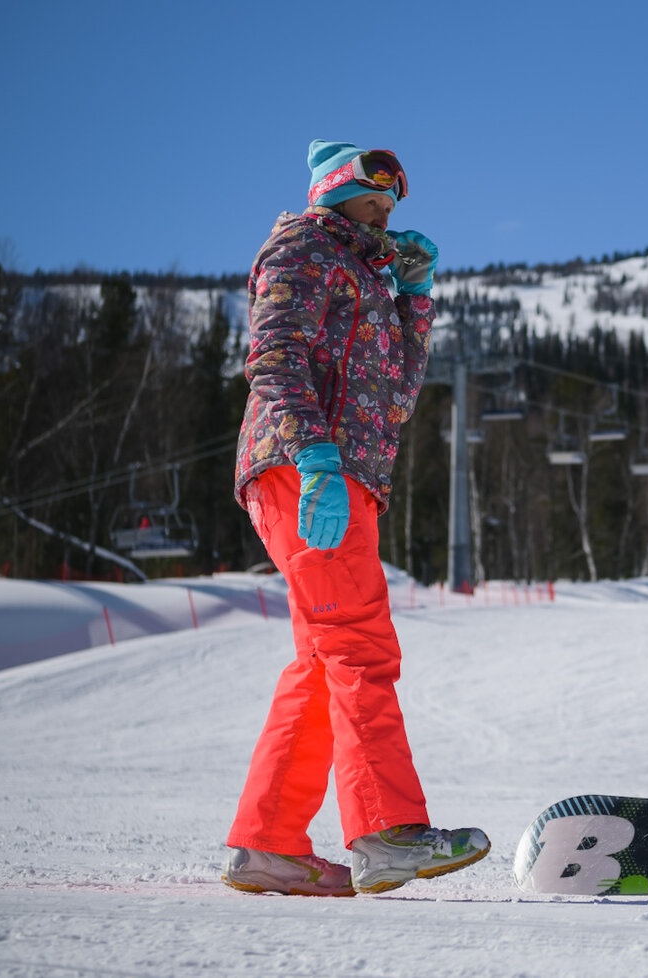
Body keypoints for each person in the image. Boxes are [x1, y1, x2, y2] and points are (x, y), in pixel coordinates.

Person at [222, 141, 489, 898]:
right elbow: (274, 356)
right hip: (306, 470)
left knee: (321, 664)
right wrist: (313, 460)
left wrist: (414, 295)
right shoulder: (306, 247)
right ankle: (387, 834)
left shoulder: (365, 275)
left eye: (390, 206)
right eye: (370, 202)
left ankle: (268, 845)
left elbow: (394, 396)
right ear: (333, 196)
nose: (383, 215)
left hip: (345, 477)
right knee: (361, 647)